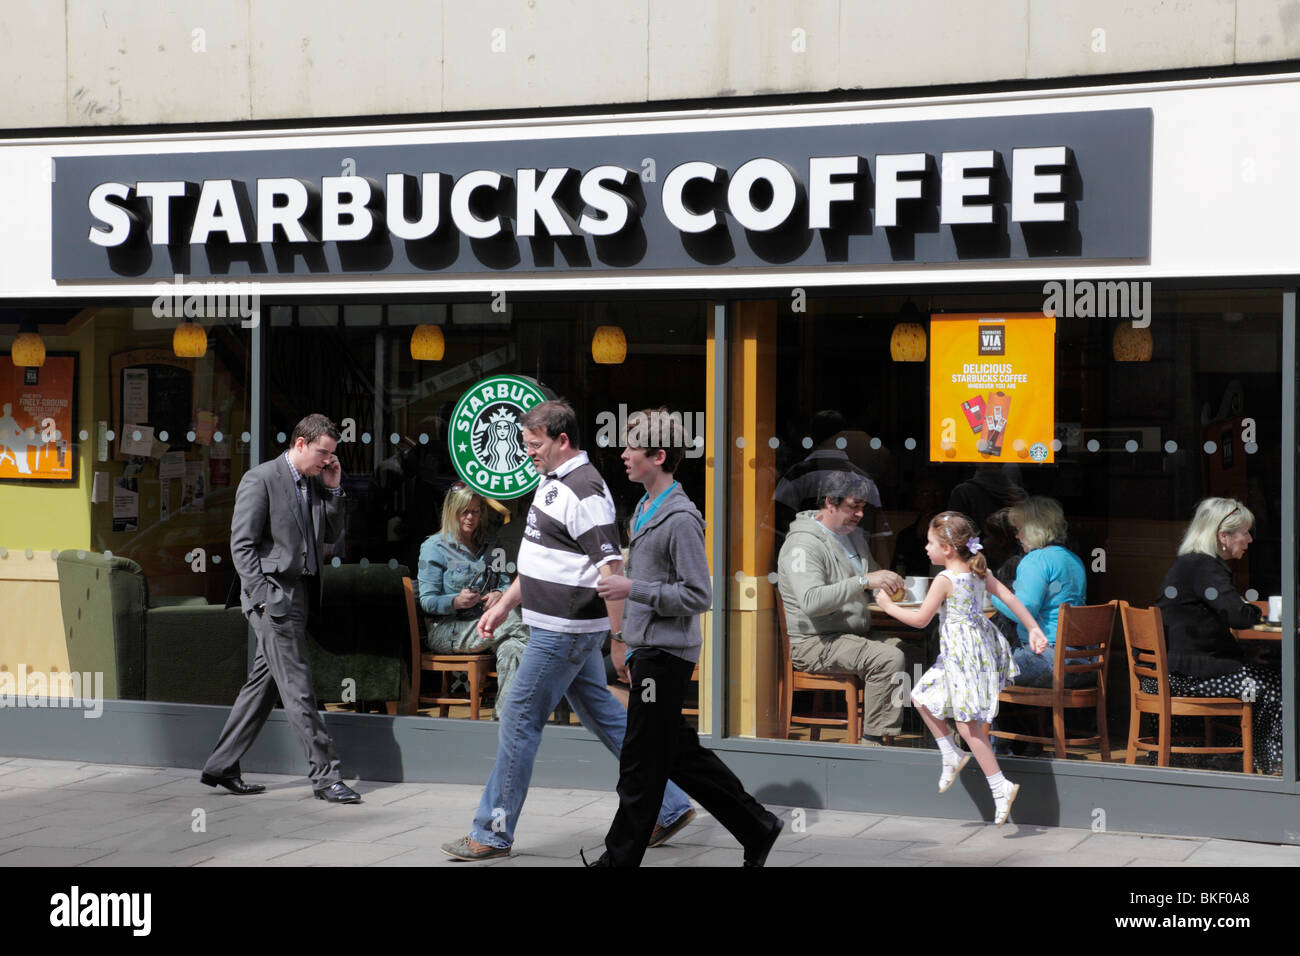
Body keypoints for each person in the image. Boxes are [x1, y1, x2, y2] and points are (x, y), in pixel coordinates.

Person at [440, 400, 694, 861]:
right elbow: (540, 558)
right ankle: (671, 804)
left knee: (518, 716)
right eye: (524, 444)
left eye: (535, 445)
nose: (528, 453)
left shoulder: (585, 490)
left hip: (566, 631)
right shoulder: (552, 482)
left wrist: (621, 642)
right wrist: (506, 606)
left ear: (562, 441)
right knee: (605, 715)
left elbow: (610, 567)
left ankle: (491, 832)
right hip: (555, 626)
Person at [588, 408, 782, 867]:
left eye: (633, 446)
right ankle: (757, 826)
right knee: (677, 755)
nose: (623, 453)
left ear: (657, 455)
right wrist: (625, 641)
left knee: (640, 762)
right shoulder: (643, 507)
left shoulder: (681, 518)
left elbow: (699, 594)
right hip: (646, 651)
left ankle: (618, 861)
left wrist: (632, 589)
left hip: (665, 656)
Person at [201, 413, 361, 804]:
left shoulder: (315, 481)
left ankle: (221, 764)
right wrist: (260, 596)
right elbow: (242, 545)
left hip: (300, 594)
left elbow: (331, 535)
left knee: (265, 683)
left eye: (332, 455)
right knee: (298, 686)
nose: (327, 460)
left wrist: (335, 489)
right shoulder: (262, 479)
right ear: (300, 443)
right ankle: (326, 777)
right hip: (273, 597)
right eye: (323, 453)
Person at [876, 511, 1046, 825]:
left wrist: (888, 607)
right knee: (922, 697)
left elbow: (920, 620)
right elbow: (1008, 595)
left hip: (964, 655)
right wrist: (1034, 628)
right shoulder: (977, 569)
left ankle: (1000, 786)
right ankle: (951, 752)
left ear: (948, 549)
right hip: (968, 652)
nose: (926, 548)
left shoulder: (944, 579)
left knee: (968, 725)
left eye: (930, 543)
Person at [776, 472, 919, 744]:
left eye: (863, 507)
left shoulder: (851, 537)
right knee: (888, 658)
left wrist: (898, 589)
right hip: (815, 642)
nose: (860, 514)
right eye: (854, 506)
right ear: (830, 503)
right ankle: (874, 742)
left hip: (853, 635)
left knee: (915, 654)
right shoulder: (803, 545)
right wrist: (864, 581)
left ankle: (929, 734)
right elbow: (812, 601)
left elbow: (872, 578)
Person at [1153, 497, 1280, 774]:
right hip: (1184, 677)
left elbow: (1208, 624)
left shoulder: (1191, 564)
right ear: (1223, 536)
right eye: (1245, 532)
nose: (1249, 539)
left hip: (1166, 673)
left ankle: (1250, 758)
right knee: (1276, 685)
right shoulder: (1205, 567)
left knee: (1265, 674)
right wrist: (1254, 611)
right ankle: (1271, 765)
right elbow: (1236, 615)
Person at [417, 483, 530, 714]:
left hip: (490, 626)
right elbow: (427, 600)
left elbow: (505, 584)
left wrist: (499, 594)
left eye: (475, 511)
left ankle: (504, 722)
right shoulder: (434, 547)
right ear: (451, 511)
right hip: (447, 629)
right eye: (464, 511)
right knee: (520, 622)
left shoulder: (490, 545)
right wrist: (455, 601)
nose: (470, 517)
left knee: (513, 648)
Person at [989, 497, 1088, 688]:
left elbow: (1025, 610)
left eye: (1018, 529)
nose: (1017, 536)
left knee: (971, 669)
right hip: (1082, 663)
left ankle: (974, 720)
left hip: (1046, 660)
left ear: (1034, 528)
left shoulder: (1035, 560)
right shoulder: (1073, 559)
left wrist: (993, 595)